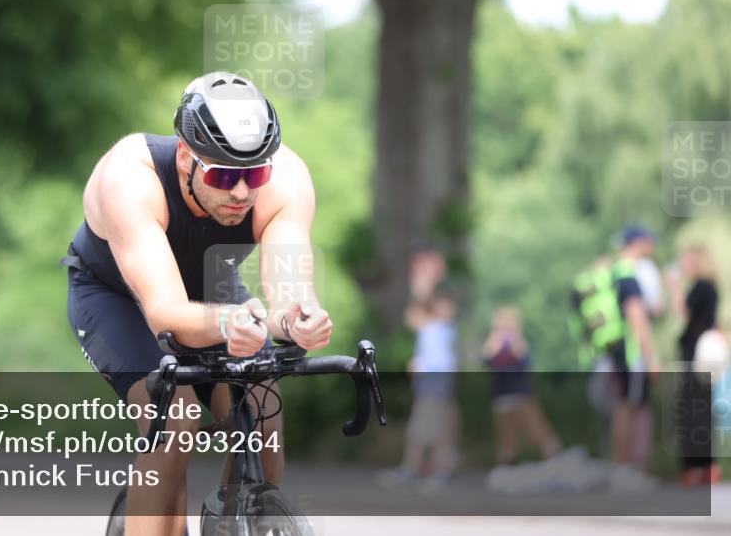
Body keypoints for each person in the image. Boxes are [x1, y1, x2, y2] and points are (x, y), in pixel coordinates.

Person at [64, 72, 332, 536]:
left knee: (264, 419)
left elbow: (288, 288)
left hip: (213, 287)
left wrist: (296, 317)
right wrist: (232, 322)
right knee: (176, 417)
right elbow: (167, 312)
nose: (242, 193)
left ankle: (233, 522)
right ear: (186, 155)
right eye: (225, 175)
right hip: (117, 296)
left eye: (254, 174)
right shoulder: (131, 175)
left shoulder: (285, 179)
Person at [377, 244, 459, 491]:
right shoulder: (426, 298)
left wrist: (424, 290)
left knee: (429, 421)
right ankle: (424, 468)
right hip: (431, 369)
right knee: (432, 420)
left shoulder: (444, 291)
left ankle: (423, 469)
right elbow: (413, 321)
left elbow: (442, 314)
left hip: (438, 370)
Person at [608, 225, 662, 491]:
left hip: (616, 350)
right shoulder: (629, 274)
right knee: (629, 406)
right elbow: (637, 317)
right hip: (631, 352)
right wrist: (651, 356)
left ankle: (625, 469)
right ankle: (626, 470)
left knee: (627, 405)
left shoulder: (614, 270)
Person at [665, 243, 722, 485]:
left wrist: (674, 287)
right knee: (701, 410)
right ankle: (706, 466)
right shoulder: (711, 288)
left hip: (696, 356)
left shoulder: (701, 287)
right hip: (703, 357)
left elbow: (686, 314)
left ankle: (696, 467)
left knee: (693, 412)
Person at [483, 306, 562, 466]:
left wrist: (515, 344)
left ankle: (556, 460)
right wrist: (494, 344)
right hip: (501, 396)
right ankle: (508, 466)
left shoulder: (521, 343)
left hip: (521, 394)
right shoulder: (493, 344)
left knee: (538, 432)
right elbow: (486, 361)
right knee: (506, 438)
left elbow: (525, 363)